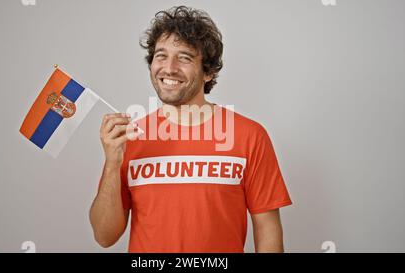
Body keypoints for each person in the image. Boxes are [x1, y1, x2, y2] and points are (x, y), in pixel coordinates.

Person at [89, 6, 292, 253]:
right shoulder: (129, 138)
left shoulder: (249, 136)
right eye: (161, 55)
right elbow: (104, 236)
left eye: (184, 57)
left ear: (208, 72)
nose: (169, 67)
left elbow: (268, 232)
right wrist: (112, 164)